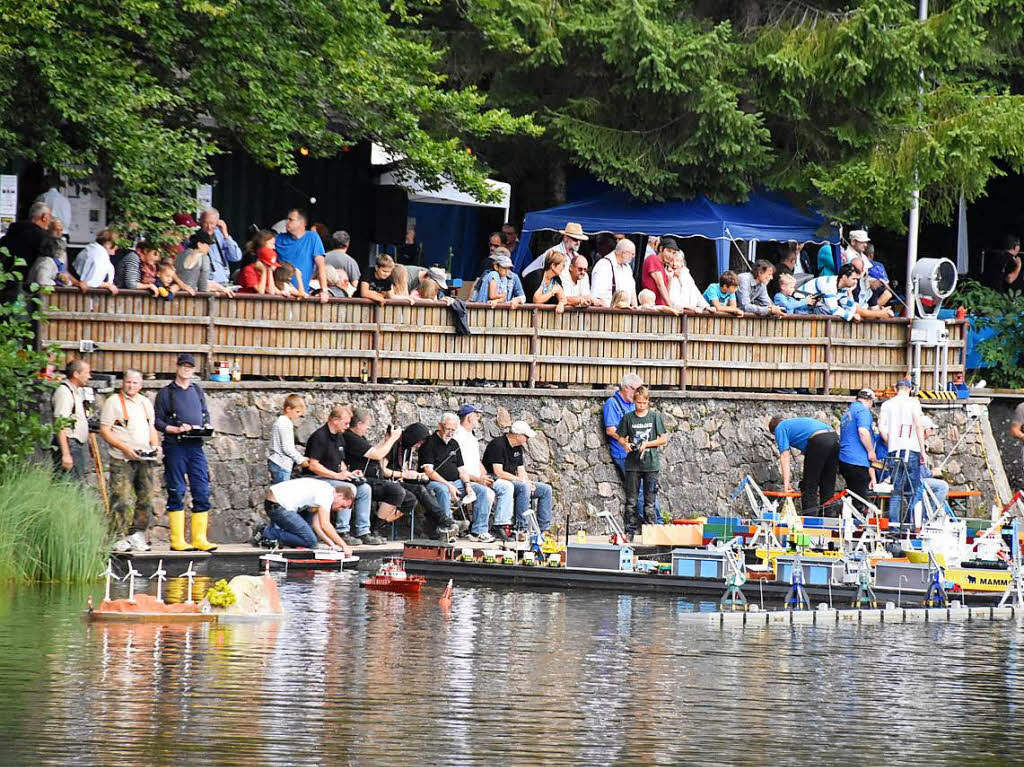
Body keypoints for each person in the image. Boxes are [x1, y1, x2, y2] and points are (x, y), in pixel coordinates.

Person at [154, 353, 217, 552]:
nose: (186, 370)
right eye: (183, 366)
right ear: (177, 367)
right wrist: (176, 429)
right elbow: (158, 422)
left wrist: (206, 427)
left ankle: (199, 538)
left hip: (196, 445)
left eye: (190, 367)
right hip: (175, 445)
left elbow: (205, 414)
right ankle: (177, 540)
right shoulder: (166, 393)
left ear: (194, 370)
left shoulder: (197, 390)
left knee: (202, 489)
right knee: (177, 489)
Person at [300, 405, 381, 546]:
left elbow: (340, 461)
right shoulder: (319, 436)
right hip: (317, 479)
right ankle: (342, 531)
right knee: (349, 489)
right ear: (335, 421)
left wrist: (348, 473)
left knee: (365, 489)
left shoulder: (339, 437)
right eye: (346, 423)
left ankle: (363, 531)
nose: (348, 426)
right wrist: (337, 476)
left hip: (333, 478)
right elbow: (313, 465)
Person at [100, 369, 160, 552]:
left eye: (135, 383)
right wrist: (124, 448)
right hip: (122, 458)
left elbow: (152, 427)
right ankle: (116, 536)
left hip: (144, 456)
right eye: (128, 382)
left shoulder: (145, 403)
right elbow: (105, 430)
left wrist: (156, 446)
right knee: (121, 498)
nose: (131, 386)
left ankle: (137, 534)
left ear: (141, 385)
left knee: (147, 497)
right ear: (122, 383)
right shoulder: (113, 402)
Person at [343, 408, 420, 532]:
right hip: (364, 478)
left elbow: (373, 450)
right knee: (396, 491)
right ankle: (374, 528)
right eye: (367, 425)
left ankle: (378, 523)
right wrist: (393, 439)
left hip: (374, 478)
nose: (368, 428)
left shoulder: (359, 437)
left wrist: (385, 439)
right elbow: (378, 455)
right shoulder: (351, 438)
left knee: (410, 499)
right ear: (359, 424)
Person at [420, 413, 493, 542]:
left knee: (482, 491)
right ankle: (447, 529)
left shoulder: (454, 444)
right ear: (440, 426)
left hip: (456, 482)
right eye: (448, 429)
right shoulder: (429, 443)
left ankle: (479, 531)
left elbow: (462, 469)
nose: (450, 433)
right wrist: (449, 485)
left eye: (453, 430)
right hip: (434, 482)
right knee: (443, 490)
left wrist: (468, 485)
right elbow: (429, 471)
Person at [382, 420, 459, 538]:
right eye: (418, 442)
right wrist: (403, 475)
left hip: (399, 481)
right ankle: (445, 521)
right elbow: (383, 470)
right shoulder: (394, 446)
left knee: (426, 490)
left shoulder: (407, 449)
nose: (419, 446)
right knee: (420, 490)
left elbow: (404, 470)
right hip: (387, 482)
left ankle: (438, 525)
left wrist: (417, 475)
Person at [454, 404, 515, 541]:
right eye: (477, 415)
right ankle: (479, 531)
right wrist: (478, 479)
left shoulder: (471, 435)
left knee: (506, 486)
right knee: (487, 492)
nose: (479, 418)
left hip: (478, 477)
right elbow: (458, 467)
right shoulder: (458, 436)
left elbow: (476, 460)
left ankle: (500, 525)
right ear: (469, 417)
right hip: (466, 479)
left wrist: (485, 475)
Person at [614, 386, 668, 535]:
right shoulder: (628, 417)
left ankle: (651, 532)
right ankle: (629, 532)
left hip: (651, 464)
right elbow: (620, 437)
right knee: (631, 501)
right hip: (633, 464)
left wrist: (647, 444)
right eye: (638, 403)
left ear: (648, 402)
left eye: (644, 403)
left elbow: (663, 439)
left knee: (649, 502)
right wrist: (626, 444)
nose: (641, 406)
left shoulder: (654, 417)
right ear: (634, 401)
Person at [483, 421, 553, 532]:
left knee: (545, 489)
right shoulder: (497, 445)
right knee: (523, 487)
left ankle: (544, 528)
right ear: (518, 435)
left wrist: (528, 482)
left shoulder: (518, 447)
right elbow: (498, 472)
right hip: (497, 480)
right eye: (526, 436)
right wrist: (521, 481)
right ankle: (521, 527)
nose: (528, 439)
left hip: (513, 480)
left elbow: (521, 470)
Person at [768, 415, 840, 516]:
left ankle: (810, 522)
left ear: (774, 432)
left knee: (809, 486)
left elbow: (785, 455)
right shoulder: (795, 424)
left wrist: (786, 483)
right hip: (834, 437)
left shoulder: (780, 428)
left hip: (819, 440)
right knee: (827, 484)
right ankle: (827, 519)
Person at [260, 478, 355, 554]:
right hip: (279, 506)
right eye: (342, 506)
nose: (340, 509)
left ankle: (270, 536)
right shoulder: (327, 495)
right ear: (340, 496)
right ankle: (266, 532)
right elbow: (325, 525)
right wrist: (344, 546)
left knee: (311, 540)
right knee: (310, 542)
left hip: (274, 504)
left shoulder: (325, 491)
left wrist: (332, 544)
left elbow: (316, 526)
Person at [878, 379, 927, 524]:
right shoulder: (913, 402)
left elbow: (881, 428)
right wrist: (922, 450)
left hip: (894, 450)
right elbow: (918, 425)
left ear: (896, 388)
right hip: (911, 448)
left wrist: (891, 441)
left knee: (896, 490)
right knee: (914, 490)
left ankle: (894, 525)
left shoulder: (887, 404)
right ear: (909, 389)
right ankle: (915, 524)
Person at [838, 389, 879, 510]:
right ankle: (857, 526)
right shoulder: (863, 411)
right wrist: (871, 451)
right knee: (859, 501)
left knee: (852, 496)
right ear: (869, 400)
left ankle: (850, 522)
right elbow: (863, 431)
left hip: (844, 459)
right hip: (857, 461)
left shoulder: (848, 413)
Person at [275, 208, 328, 300]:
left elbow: (321, 267)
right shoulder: (279, 239)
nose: (287, 222)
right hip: (280, 295)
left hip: (302, 294)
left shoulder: (312, 237)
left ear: (302, 223)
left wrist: (324, 291)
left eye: (291, 219)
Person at [52, 359, 91, 480]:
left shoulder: (76, 392)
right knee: (71, 485)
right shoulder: (64, 392)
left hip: (75, 445)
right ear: (76, 374)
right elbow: (60, 423)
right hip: (69, 445)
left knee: (75, 483)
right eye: (87, 373)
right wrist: (66, 454)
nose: (89, 376)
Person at [0, 202, 52, 293]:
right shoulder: (40, 236)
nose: (50, 220)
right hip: (23, 285)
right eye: (50, 217)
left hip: (4, 278)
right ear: (44, 217)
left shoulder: (13, 230)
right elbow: (52, 254)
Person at [175, 231, 234, 297]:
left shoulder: (179, 256)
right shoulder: (203, 258)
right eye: (207, 245)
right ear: (199, 244)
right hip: (191, 298)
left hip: (176, 296)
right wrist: (221, 289)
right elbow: (203, 286)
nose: (209, 248)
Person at [522, 221, 587, 279]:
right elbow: (526, 272)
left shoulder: (577, 256)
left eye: (580, 240)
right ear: (566, 238)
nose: (578, 243)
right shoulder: (552, 252)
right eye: (575, 239)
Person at [268, 394, 309, 484]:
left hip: (277, 461)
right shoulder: (285, 424)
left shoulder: (281, 422)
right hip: (281, 463)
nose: (299, 415)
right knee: (282, 493)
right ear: (288, 409)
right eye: (297, 412)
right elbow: (287, 448)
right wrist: (301, 460)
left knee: (277, 491)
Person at [197, 208, 243, 284]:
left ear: (217, 223)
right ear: (200, 222)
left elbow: (236, 257)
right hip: (205, 283)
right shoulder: (195, 237)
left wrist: (226, 234)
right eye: (205, 223)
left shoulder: (221, 235)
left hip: (223, 281)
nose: (209, 227)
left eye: (212, 223)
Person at [591, 238, 638, 307]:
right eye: (632, 254)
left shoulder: (627, 268)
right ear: (624, 254)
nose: (633, 257)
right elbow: (597, 297)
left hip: (625, 313)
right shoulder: (604, 265)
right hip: (607, 313)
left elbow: (632, 293)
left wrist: (635, 310)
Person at [640, 237, 679, 306]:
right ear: (661, 249)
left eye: (673, 253)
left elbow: (666, 291)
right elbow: (660, 285)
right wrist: (671, 306)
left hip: (661, 308)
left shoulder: (664, 267)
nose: (671, 255)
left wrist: (669, 278)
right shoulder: (653, 258)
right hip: (651, 307)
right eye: (669, 251)